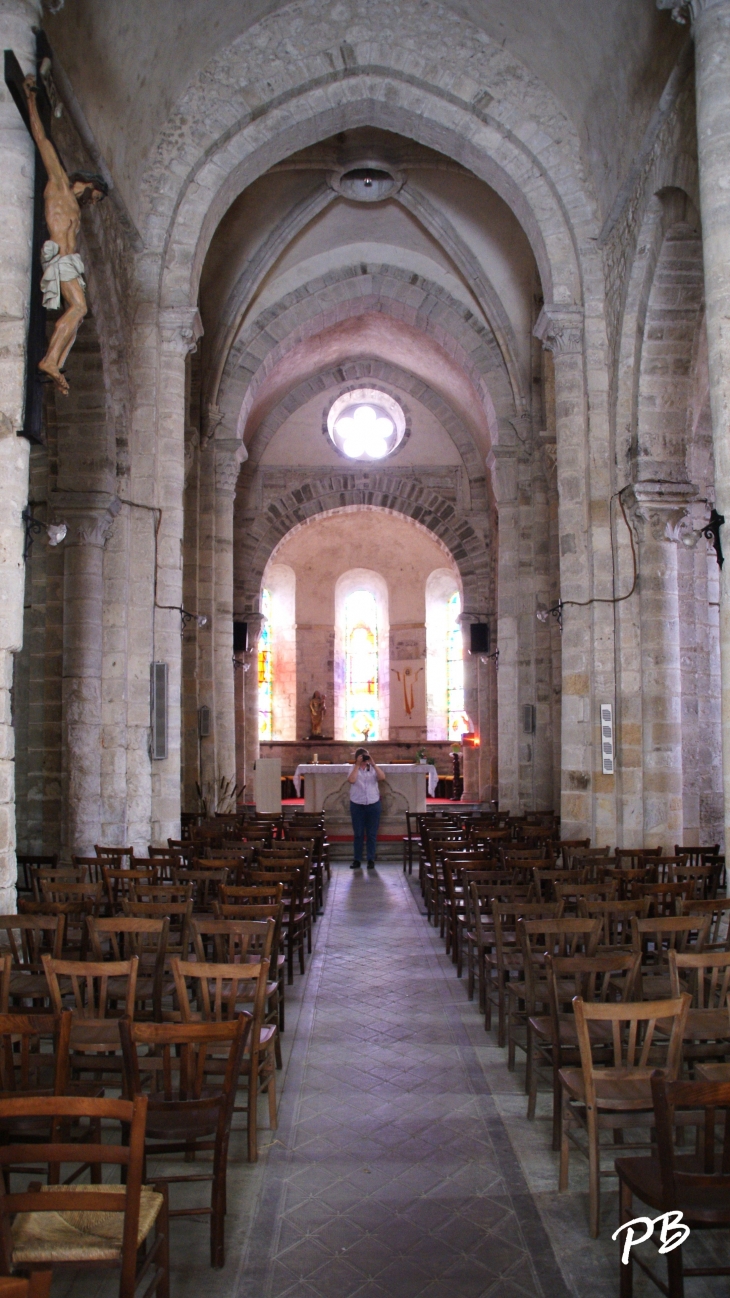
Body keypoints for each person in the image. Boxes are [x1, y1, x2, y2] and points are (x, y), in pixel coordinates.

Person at [23, 75, 108, 395]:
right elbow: (43, 141)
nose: (94, 202)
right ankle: (49, 360)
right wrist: (32, 100)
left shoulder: (74, 205)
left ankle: (55, 361)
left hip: (68, 260)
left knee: (80, 313)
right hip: (59, 256)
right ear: (91, 185)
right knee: (80, 309)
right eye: (97, 196)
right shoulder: (59, 185)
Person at [347, 747, 385, 870]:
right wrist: (357, 765)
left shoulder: (373, 769)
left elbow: (382, 777)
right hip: (357, 804)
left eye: (366, 757)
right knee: (358, 834)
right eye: (362, 757)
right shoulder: (352, 769)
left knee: (371, 834)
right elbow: (352, 780)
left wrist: (373, 764)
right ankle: (357, 860)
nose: (365, 760)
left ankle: (370, 860)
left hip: (373, 804)